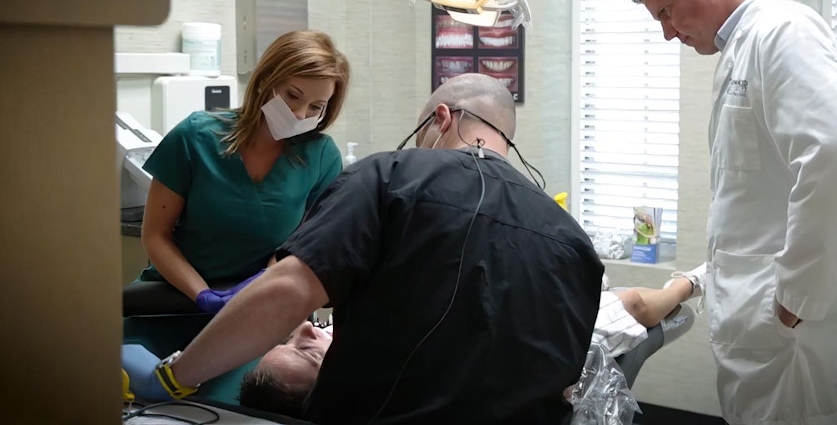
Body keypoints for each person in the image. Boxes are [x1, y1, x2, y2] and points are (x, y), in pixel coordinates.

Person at [122, 73, 604, 424]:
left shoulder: (391, 176)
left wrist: (172, 377)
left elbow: (289, 290)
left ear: (440, 119)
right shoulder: (574, 242)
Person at [627, 0, 837, 425]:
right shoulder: (745, 46)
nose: (667, 33)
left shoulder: (784, 31)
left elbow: (836, 157)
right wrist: (688, 284)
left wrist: (794, 300)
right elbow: (753, 210)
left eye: (666, 12)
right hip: (769, 318)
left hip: (798, 327)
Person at [236, 280, 692, 418]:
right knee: (631, 303)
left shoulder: (383, 348)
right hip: (546, 337)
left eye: (291, 338)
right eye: (309, 351)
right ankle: (689, 282)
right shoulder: (410, 386)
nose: (306, 328)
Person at [135, 29, 351, 313]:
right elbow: (155, 235)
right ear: (265, 81)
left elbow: (299, 248)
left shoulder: (322, 157)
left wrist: (260, 289)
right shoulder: (195, 137)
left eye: (316, 107)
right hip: (172, 302)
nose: (300, 114)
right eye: (292, 95)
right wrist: (203, 296)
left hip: (263, 309)